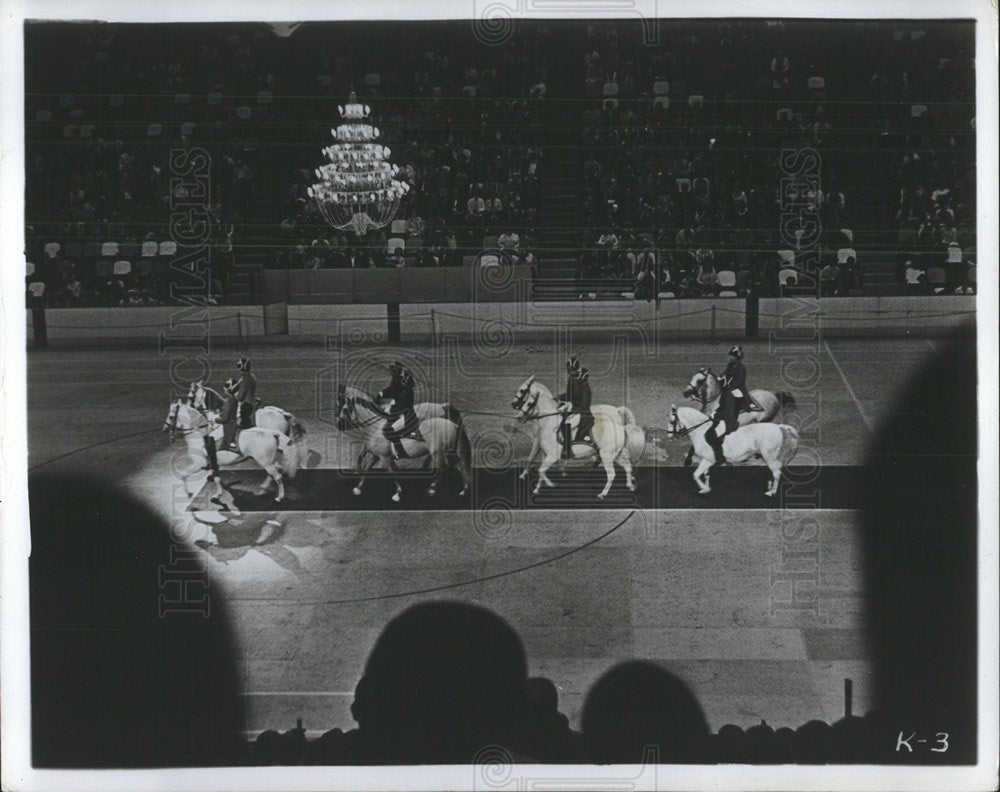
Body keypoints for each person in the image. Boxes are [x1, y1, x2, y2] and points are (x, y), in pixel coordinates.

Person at [705, 345, 748, 466]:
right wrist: (718, 377)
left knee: (736, 395)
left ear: (736, 357)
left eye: (732, 356)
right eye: (730, 356)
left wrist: (729, 385)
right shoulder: (730, 365)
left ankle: (736, 411)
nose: (730, 358)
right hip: (728, 388)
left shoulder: (741, 368)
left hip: (736, 389)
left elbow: (739, 381)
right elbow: (724, 374)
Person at [376, 361, 421, 459]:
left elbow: (403, 405)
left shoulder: (407, 391)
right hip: (403, 412)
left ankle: (400, 451)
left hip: (406, 415)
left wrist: (390, 409)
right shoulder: (404, 389)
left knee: (388, 430)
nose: (402, 381)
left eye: (404, 380)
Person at [557, 356, 594, 459]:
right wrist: (558, 398)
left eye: (573, 371)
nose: (571, 374)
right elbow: (570, 395)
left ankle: (567, 451)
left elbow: (584, 406)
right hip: (576, 411)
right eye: (570, 371)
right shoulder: (573, 381)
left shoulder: (585, 388)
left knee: (566, 423)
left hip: (584, 415)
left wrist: (570, 409)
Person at [234, 354, 258, 429]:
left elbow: (240, 397)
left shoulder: (244, 380)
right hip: (252, 403)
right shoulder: (252, 377)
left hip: (245, 405)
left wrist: (235, 396)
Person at [218, 377, 240, 452]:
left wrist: (215, 420)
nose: (224, 388)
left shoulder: (229, 401)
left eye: (226, 387)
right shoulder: (233, 399)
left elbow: (225, 419)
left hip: (229, 427)